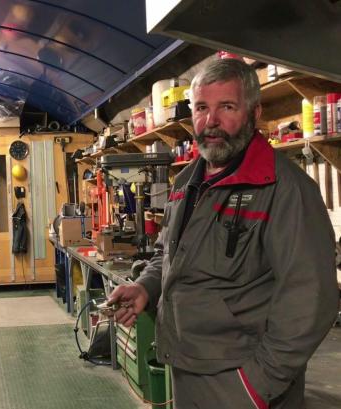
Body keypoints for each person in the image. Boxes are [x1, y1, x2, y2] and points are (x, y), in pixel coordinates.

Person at [108, 58, 339, 409]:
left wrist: (257, 384)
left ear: (254, 113)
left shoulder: (284, 189)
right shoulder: (186, 183)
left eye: (226, 107)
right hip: (186, 365)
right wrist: (145, 287)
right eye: (202, 108)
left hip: (243, 382)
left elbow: (312, 298)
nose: (211, 121)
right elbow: (167, 254)